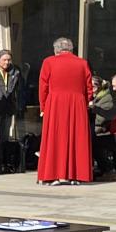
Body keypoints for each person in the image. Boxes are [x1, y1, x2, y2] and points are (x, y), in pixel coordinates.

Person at [37, 36, 94, 185]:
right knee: (77, 138)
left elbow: (43, 86)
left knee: (54, 138)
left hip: (55, 103)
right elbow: (89, 87)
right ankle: (76, 174)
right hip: (77, 102)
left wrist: (43, 106)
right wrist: (86, 102)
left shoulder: (49, 62)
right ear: (71, 49)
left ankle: (53, 174)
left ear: (56, 50)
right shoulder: (82, 63)